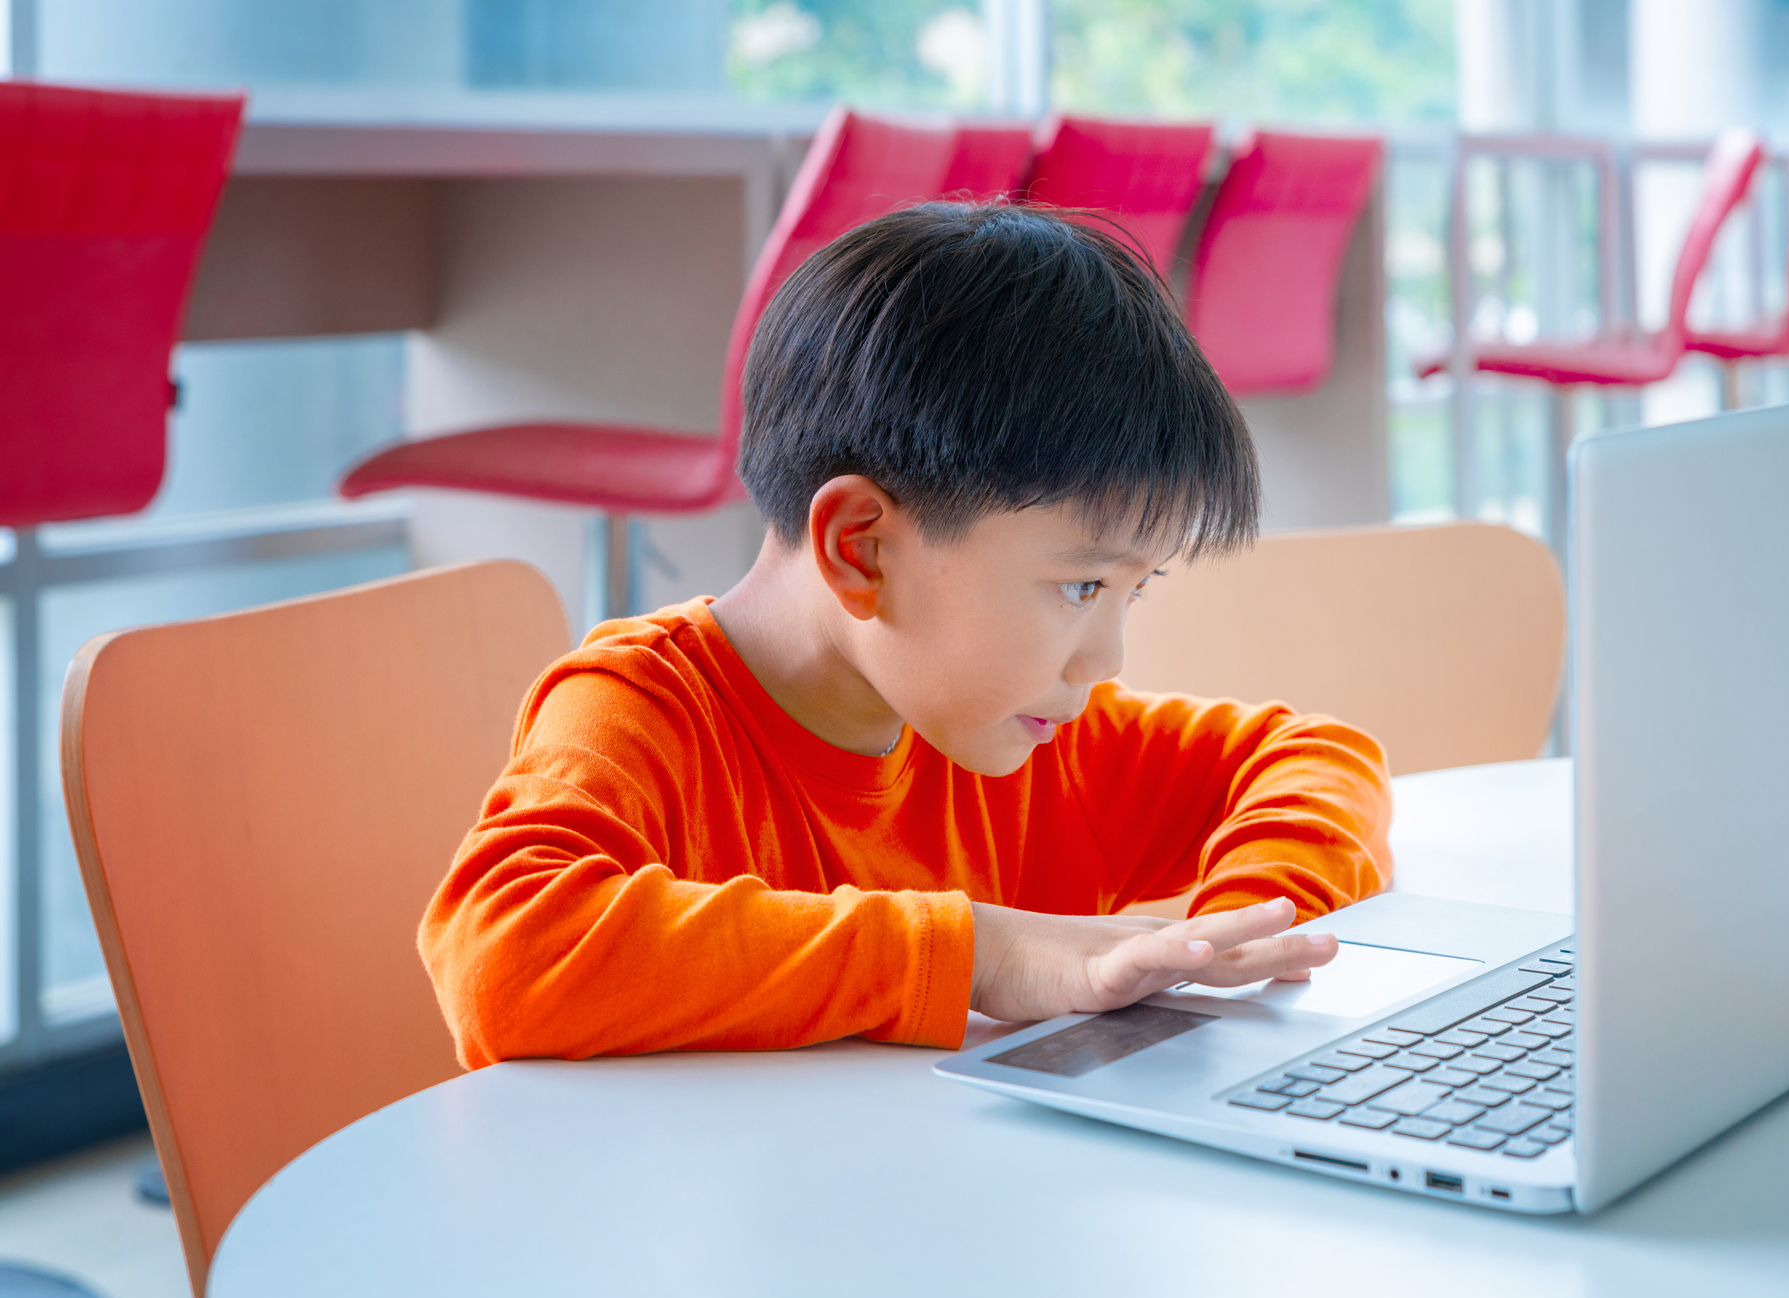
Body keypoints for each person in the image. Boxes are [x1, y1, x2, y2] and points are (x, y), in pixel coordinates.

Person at [420, 202, 1392, 1067]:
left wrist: (1239, 924)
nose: (1105, 663)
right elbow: (501, 952)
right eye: (1081, 584)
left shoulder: (1007, 729)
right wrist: (980, 953)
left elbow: (1317, 756)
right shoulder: (640, 711)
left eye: (1132, 594)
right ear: (862, 550)